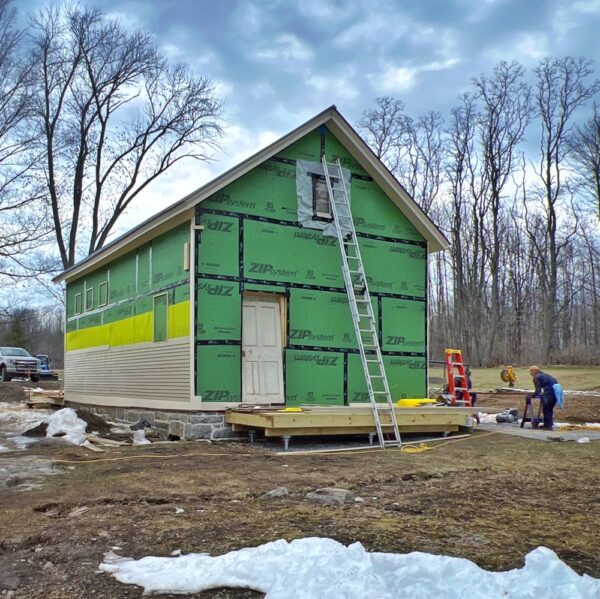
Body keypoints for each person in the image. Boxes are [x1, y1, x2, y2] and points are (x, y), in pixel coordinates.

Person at [528, 366, 559, 430]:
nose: (530, 373)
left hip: (549, 393)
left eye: (530, 371)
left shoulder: (536, 377)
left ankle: (548, 426)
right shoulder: (546, 375)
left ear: (534, 371)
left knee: (546, 409)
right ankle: (549, 424)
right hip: (556, 392)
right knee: (549, 409)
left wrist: (532, 395)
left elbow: (538, 390)